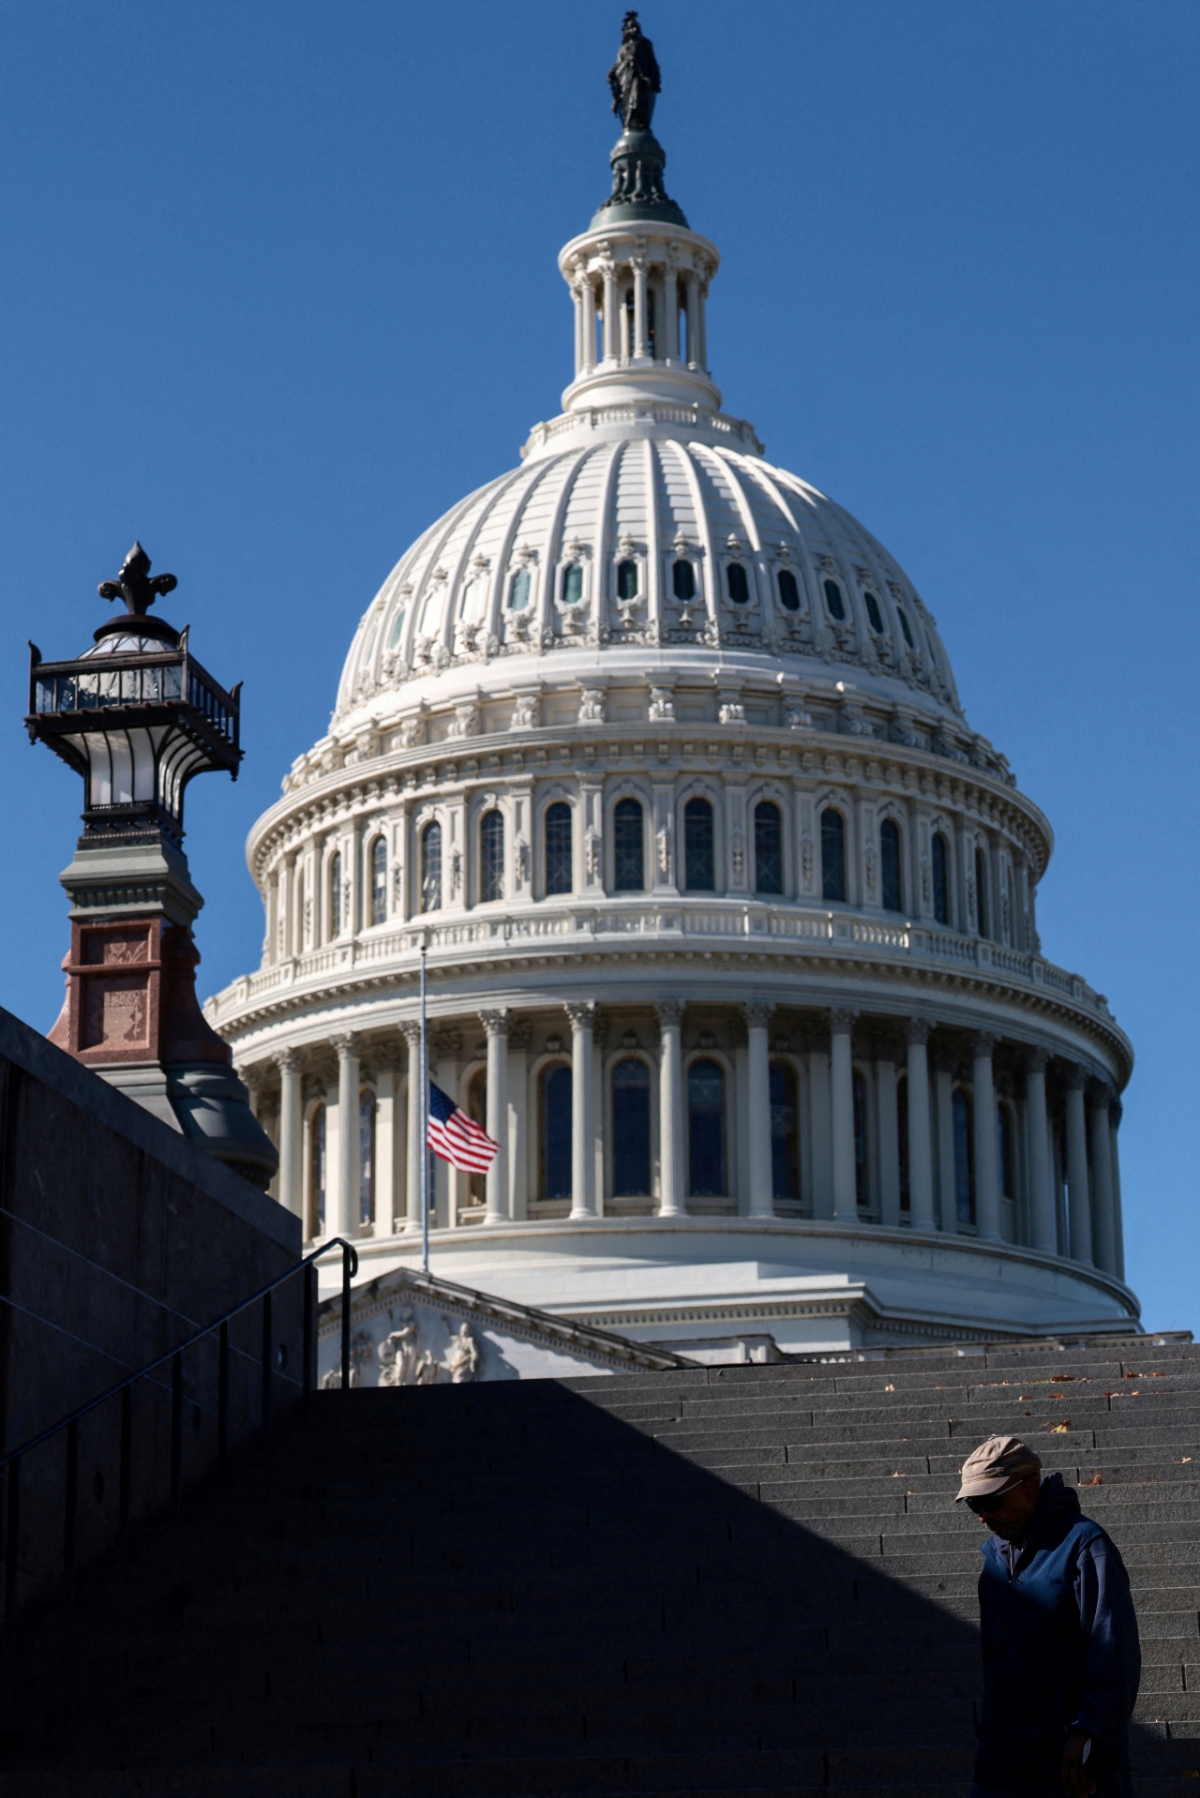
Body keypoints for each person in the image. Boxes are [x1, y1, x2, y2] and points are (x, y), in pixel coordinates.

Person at [957, 1434, 1141, 1798]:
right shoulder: (994, 1566)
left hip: (1072, 1769)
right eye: (973, 1505)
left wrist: (1089, 1732)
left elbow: (1114, 1652)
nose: (982, 1516)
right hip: (1001, 1766)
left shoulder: (1084, 1546)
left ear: (1029, 1487)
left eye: (990, 1500)